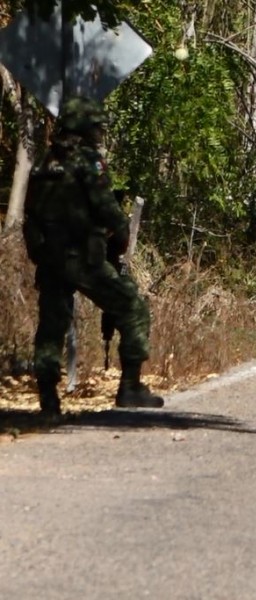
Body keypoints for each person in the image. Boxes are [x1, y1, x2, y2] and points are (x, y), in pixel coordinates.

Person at [23, 96, 164, 417]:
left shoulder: (46, 163)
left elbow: (31, 212)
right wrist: (122, 233)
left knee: (51, 326)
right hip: (82, 258)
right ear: (85, 128)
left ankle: (48, 399)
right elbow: (105, 206)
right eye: (97, 127)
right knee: (133, 307)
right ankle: (130, 387)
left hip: (50, 258)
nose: (100, 133)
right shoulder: (88, 161)